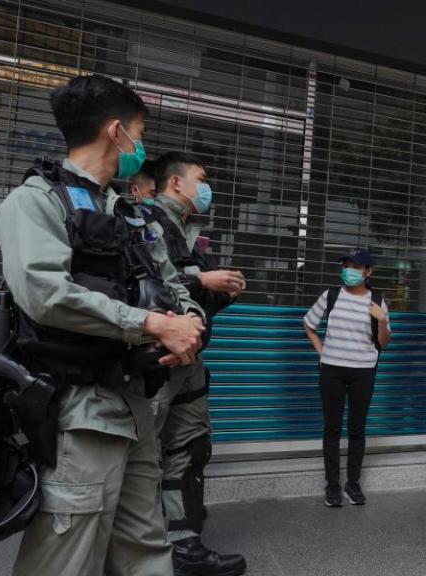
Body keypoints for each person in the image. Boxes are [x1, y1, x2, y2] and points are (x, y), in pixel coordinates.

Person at [0, 74, 205, 576]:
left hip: (136, 406)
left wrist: (189, 328)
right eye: (140, 132)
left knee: (146, 549)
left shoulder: (133, 212)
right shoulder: (36, 201)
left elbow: (175, 284)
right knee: (66, 558)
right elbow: (46, 295)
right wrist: (151, 323)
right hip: (81, 413)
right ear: (116, 132)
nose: (142, 146)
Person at [147, 151, 248, 576]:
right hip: (155, 363)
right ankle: (138, 547)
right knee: (139, 456)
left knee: (190, 449)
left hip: (190, 364)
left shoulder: (189, 231)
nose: (206, 188)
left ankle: (185, 544)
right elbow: (148, 287)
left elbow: (191, 302)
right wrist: (202, 281)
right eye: (201, 179)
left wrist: (218, 291)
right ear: (176, 183)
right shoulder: (146, 220)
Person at [304, 248, 390, 508]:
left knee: (357, 429)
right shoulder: (331, 296)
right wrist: (322, 352)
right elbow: (309, 324)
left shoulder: (377, 301)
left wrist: (383, 320)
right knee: (332, 428)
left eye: (355, 266)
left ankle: (353, 484)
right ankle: (332, 486)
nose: (349, 270)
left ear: (368, 272)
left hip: (363, 371)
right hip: (332, 370)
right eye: (346, 266)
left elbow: (383, 344)